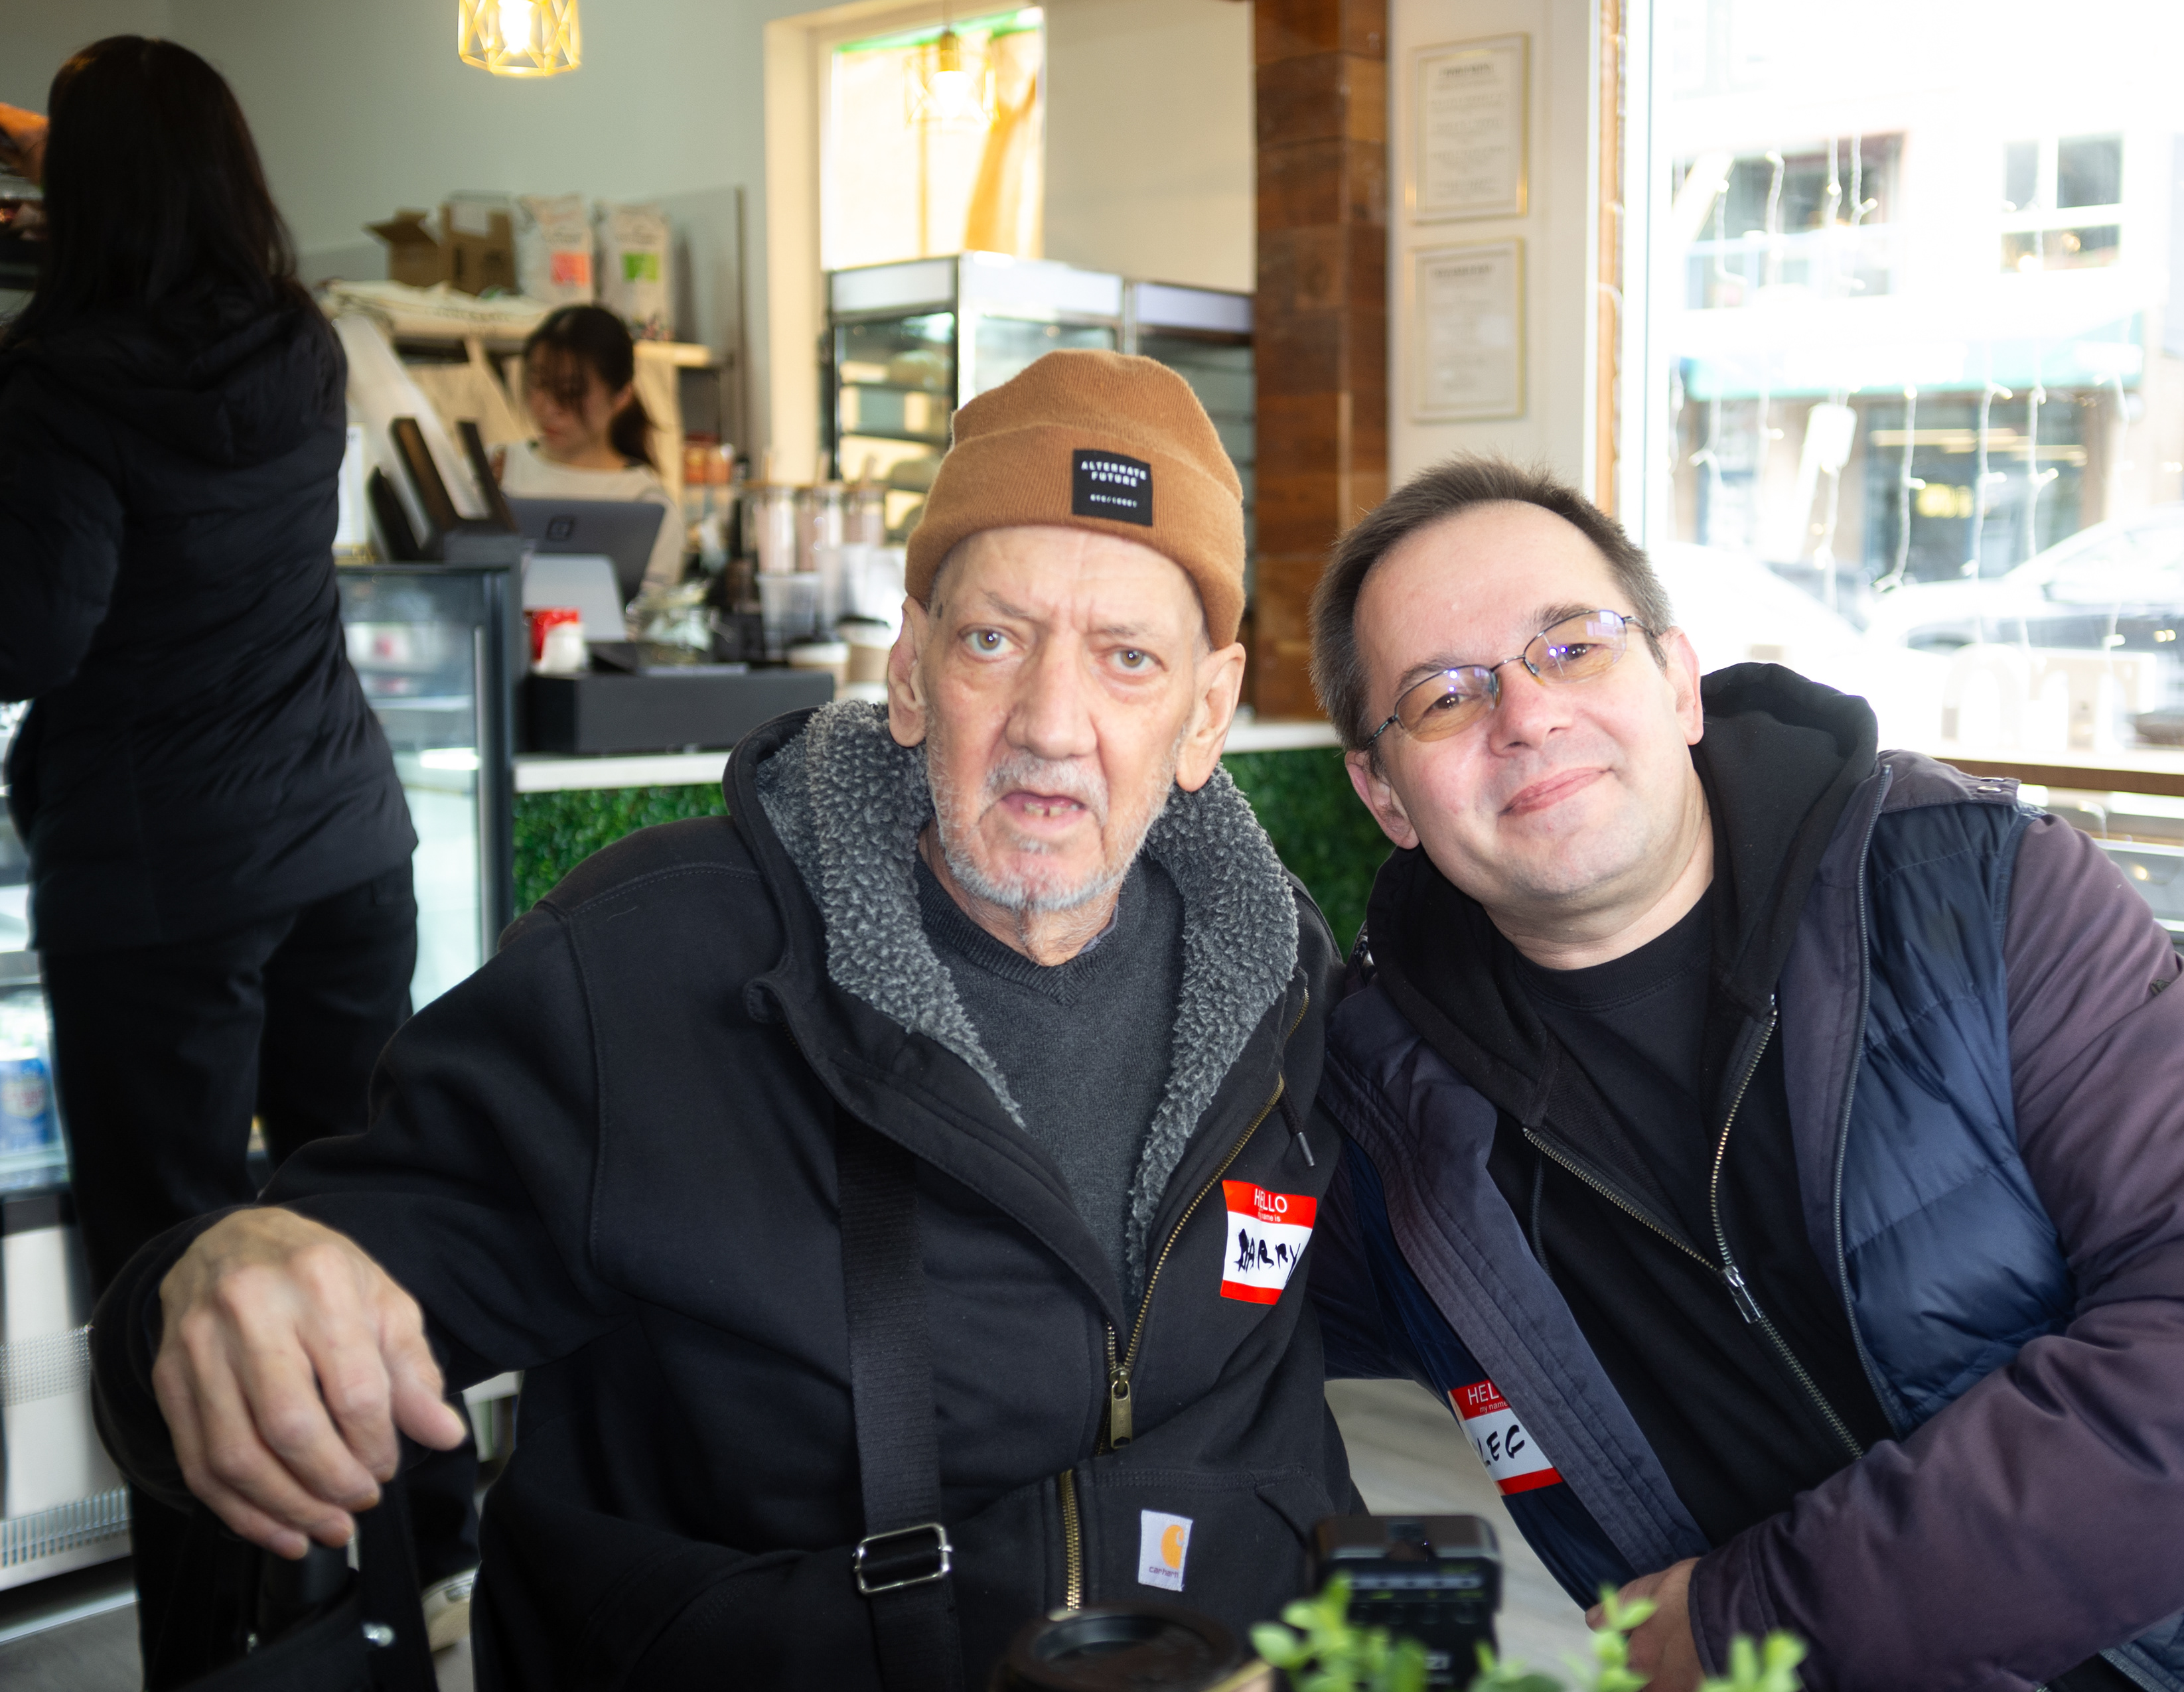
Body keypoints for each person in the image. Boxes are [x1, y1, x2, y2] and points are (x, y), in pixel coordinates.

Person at [91, 349, 1355, 1689]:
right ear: (912, 669)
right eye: (996, 639)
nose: (1052, 723)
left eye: (1127, 659)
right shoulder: (646, 974)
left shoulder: (1281, 993)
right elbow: (293, 1302)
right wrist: (213, 1286)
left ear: (1206, 713)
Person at [1304, 456, 2184, 1691]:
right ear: (1384, 794)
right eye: (1443, 695)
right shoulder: (1385, 1108)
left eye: (1574, 646)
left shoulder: (1983, 889)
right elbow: (1203, 1316)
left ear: (1678, 682)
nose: (1527, 714)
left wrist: (1759, 1620)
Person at [0, 35, 483, 1671]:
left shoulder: (60, 385)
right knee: (366, 1210)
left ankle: (223, 1647)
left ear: (84, 197)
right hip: (341, 844)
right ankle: (422, 1568)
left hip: (162, 885)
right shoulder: (296, 343)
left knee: (179, 1278)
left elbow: (34, 632)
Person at [492, 302, 686, 593]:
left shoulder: (645, 503)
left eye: (571, 392)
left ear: (621, 396)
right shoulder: (493, 468)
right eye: (539, 384)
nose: (550, 408)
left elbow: (646, 610)